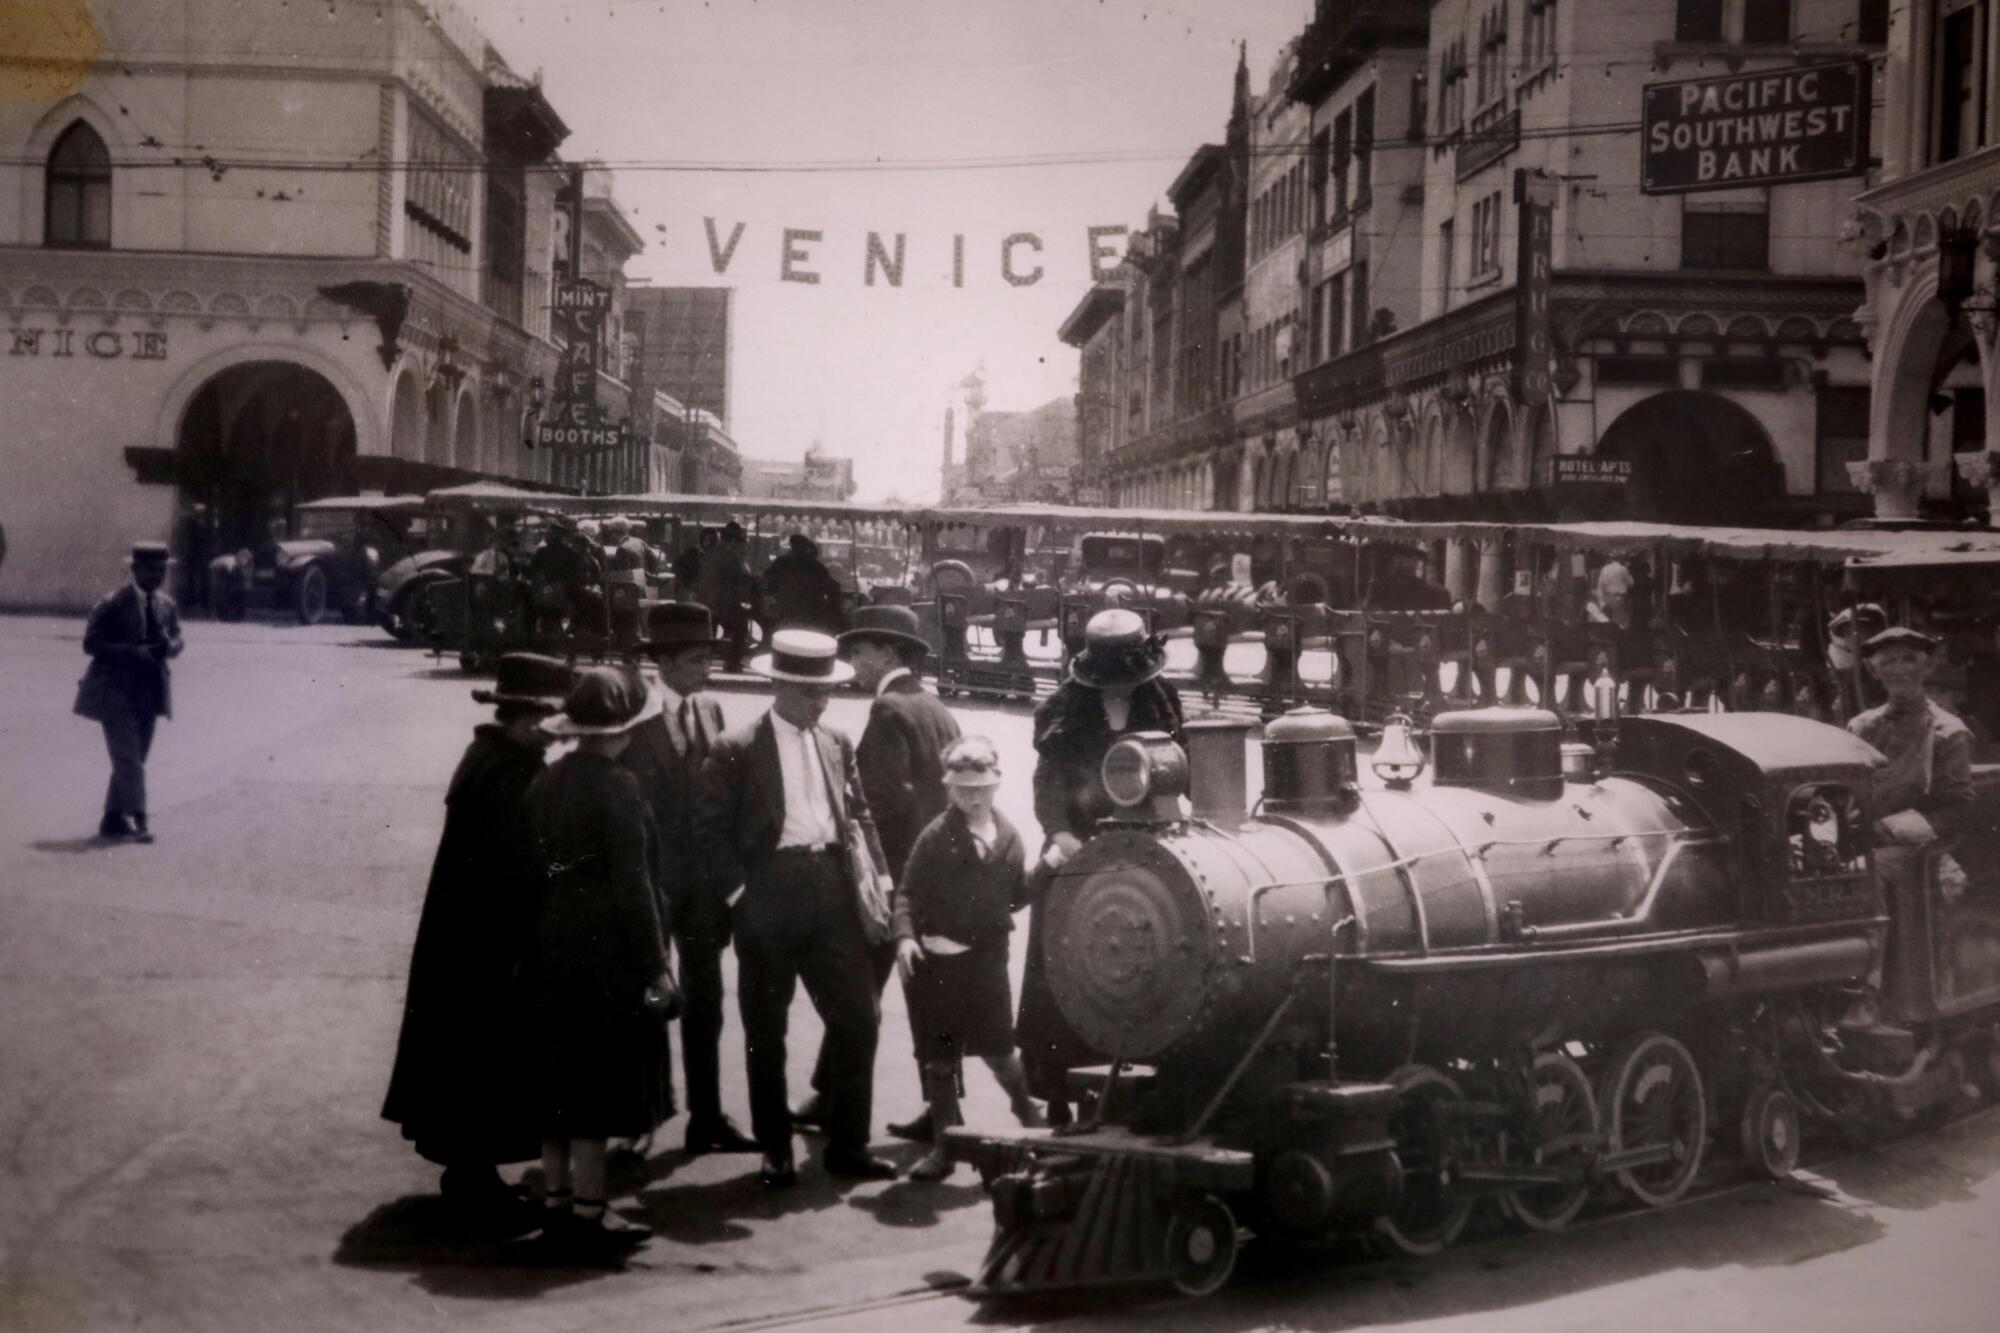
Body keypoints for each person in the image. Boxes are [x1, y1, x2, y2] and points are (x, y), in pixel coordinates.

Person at [693, 629, 898, 1187]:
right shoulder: (735, 749)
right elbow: (708, 835)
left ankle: (848, 1145)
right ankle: (775, 1147)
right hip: (769, 893)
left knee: (860, 1018)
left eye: (827, 691)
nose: (822, 702)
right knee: (766, 1027)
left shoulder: (836, 741)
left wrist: (881, 882)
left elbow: (860, 816)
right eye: (810, 693)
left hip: (833, 890)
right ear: (780, 686)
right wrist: (741, 898)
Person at [382, 653, 572, 1216]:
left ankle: (473, 1169)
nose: (553, 733)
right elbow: (521, 865)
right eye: (546, 720)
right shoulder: (508, 774)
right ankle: (472, 1176)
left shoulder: (491, 759)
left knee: (472, 1055)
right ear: (523, 716)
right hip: (488, 941)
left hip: (468, 936)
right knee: (481, 1055)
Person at [525, 666, 680, 1249]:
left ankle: (559, 1201)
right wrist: (656, 968)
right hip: (607, 954)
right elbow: (634, 886)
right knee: (594, 1084)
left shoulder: (546, 781)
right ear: (624, 731)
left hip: (552, 943)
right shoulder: (620, 788)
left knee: (558, 1079)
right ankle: (592, 1212)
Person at [794, 605, 960, 1144]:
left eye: (859, 652)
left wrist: (879, 881)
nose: (852, 662)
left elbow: (886, 803)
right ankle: (937, 1109)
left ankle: (840, 1096)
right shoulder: (933, 706)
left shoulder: (887, 709)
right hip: (937, 873)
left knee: (858, 989)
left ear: (888, 653)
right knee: (919, 994)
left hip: (898, 881)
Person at [1020, 609, 1186, 1123]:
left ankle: (1137, 1075)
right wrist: (1062, 835)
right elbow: (1047, 783)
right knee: (1059, 961)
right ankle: (1056, 1090)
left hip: (1144, 841)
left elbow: (1183, 768)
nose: (1120, 689)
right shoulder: (1062, 708)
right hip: (1080, 843)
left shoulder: (1162, 700)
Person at [621, 602, 759, 1157]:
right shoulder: (633, 715)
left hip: (701, 891)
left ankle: (707, 1117)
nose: (709, 668)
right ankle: (637, 1118)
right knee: (646, 1002)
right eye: (700, 658)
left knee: (707, 1003)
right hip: (649, 887)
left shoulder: (711, 709)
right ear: (667, 661)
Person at [894, 736, 1045, 1182]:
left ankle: (1029, 1116)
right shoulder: (935, 837)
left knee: (1000, 1052)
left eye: (980, 789)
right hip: (938, 967)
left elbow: (1015, 897)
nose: (972, 798)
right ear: (950, 790)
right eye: (962, 790)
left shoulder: (1010, 837)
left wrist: (1046, 871)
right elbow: (907, 893)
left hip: (987, 966)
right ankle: (945, 1147)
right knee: (939, 1062)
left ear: (995, 786)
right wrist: (904, 938)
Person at [74, 542, 184, 843]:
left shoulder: (166, 605)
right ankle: (140, 818)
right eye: (149, 570)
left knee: (136, 756)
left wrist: (169, 645)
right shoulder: (112, 603)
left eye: (161, 570)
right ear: (134, 569)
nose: (156, 576)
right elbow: (91, 643)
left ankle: (112, 817)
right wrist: (131, 653)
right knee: (128, 760)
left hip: (150, 692)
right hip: (114, 692)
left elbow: (178, 638)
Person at [695, 521, 756, 672]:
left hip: (706, 601)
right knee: (740, 628)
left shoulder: (710, 553)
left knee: (709, 634)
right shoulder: (729, 555)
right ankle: (732, 663)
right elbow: (739, 577)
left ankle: (702, 664)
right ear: (733, 540)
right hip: (722, 602)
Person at [763, 532, 846, 636]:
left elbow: (768, 581)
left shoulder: (783, 563)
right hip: (808, 616)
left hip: (789, 614)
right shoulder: (815, 567)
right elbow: (833, 589)